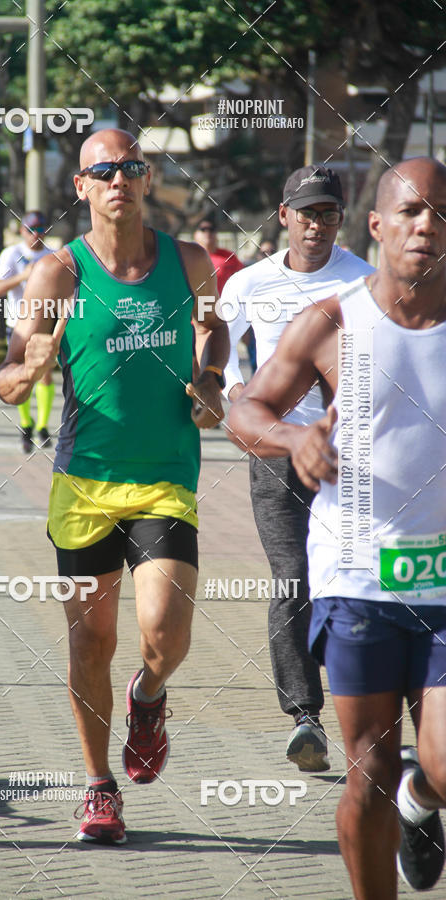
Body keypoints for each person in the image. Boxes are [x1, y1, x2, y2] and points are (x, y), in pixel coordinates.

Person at [0, 128, 228, 845]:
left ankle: (149, 696)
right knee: (90, 642)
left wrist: (212, 376)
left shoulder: (190, 262)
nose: (118, 180)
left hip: (164, 478)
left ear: (147, 176)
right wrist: (26, 374)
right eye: (104, 171)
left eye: (130, 168)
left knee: (165, 631)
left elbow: (214, 328)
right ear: (83, 186)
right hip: (86, 484)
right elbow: (9, 376)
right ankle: (99, 787)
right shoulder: (57, 276)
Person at [228, 156, 446, 899]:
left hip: (444, 576)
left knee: (441, 764)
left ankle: (426, 802)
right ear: (378, 226)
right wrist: (296, 440)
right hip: (358, 574)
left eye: (441, 213)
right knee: (371, 768)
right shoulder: (332, 321)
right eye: (412, 212)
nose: (427, 226)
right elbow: (244, 409)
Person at [222, 165, 374, 772]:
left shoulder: (365, 280)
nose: (316, 225)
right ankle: (304, 715)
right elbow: (220, 342)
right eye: (305, 213)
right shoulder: (250, 282)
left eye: (328, 214)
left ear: (342, 219)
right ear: (283, 216)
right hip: (278, 450)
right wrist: (237, 394)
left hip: (350, 457)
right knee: (292, 577)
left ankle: (373, 711)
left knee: (359, 579)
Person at [0, 211, 54, 452]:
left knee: (45, 374)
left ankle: (44, 426)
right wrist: (23, 276)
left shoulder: (52, 256)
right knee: (23, 375)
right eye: (30, 229)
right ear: (21, 231)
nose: (35, 234)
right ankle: (26, 424)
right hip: (18, 325)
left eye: (40, 229)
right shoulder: (12, 255)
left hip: (46, 323)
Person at [193, 214, 243, 294]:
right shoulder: (188, 257)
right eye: (203, 229)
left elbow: (242, 280)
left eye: (211, 229)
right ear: (195, 235)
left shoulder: (229, 256)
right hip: (198, 304)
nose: (207, 232)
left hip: (223, 303)